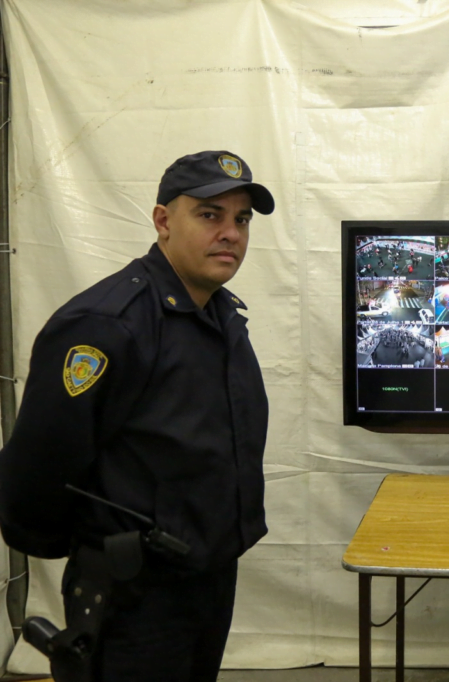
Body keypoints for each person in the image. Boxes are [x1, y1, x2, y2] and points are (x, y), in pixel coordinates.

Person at [0, 150, 275, 681]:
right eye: (210, 215)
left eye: (241, 219)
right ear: (163, 221)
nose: (231, 233)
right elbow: (38, 468)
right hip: (134, 597)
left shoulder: (219, 316)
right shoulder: (106, 326)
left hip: (208, 582)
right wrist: (92, 548)